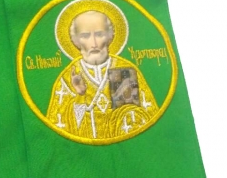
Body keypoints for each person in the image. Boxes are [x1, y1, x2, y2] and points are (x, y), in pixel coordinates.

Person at [46, 8, 158, 140]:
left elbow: (145, 118)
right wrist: (80, 96)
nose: (94, 44)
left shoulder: (123, 70)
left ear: (110, 36)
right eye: (85, 36)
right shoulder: (68, 77)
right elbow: (58, 128)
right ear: (76, 40)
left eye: (99, 34)